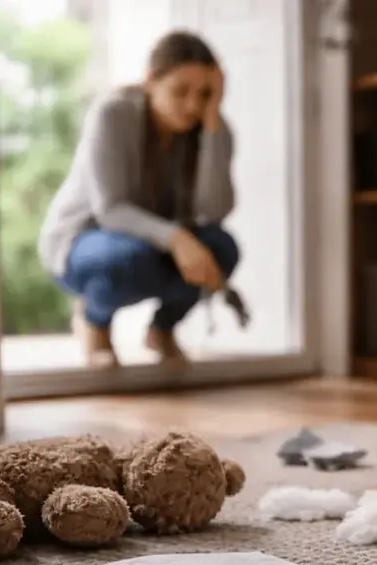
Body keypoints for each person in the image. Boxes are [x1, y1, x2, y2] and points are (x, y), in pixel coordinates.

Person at [38, 30, 240, 369]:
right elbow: (110, 209)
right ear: (150, 81)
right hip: (86, 243)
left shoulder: (211, 128)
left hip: (154, 246)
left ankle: (162, 330)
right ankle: (95, 322)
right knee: (127, 258)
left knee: (222, 248)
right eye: (180, 91)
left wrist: (213, 126)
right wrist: (176, 238)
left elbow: (214, 211)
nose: (193, 105)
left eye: (205, 93)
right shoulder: (112, 114)